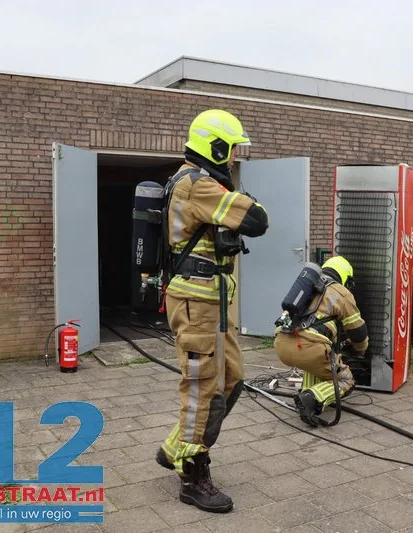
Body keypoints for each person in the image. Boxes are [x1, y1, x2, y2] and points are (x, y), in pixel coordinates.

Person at [154, 109, 269, 513]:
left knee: (232, 379)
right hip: (196, 303)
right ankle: (192, 474)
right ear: (215, 147)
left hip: (212, 300)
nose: (235, 157)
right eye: (232, 149)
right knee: (204, 386)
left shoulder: (200, 182)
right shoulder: (197, 185)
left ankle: (175, 446)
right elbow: (256, 219)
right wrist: (241, 197)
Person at [273, 256, 369, 426]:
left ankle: (305, 392)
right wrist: (360, 349)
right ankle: (311, 398)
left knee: (316, 362)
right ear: (345, 277)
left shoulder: (308, 286)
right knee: (346, 380)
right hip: (309, 347)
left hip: (282, 344)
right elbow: (357, 330)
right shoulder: (341, 292)